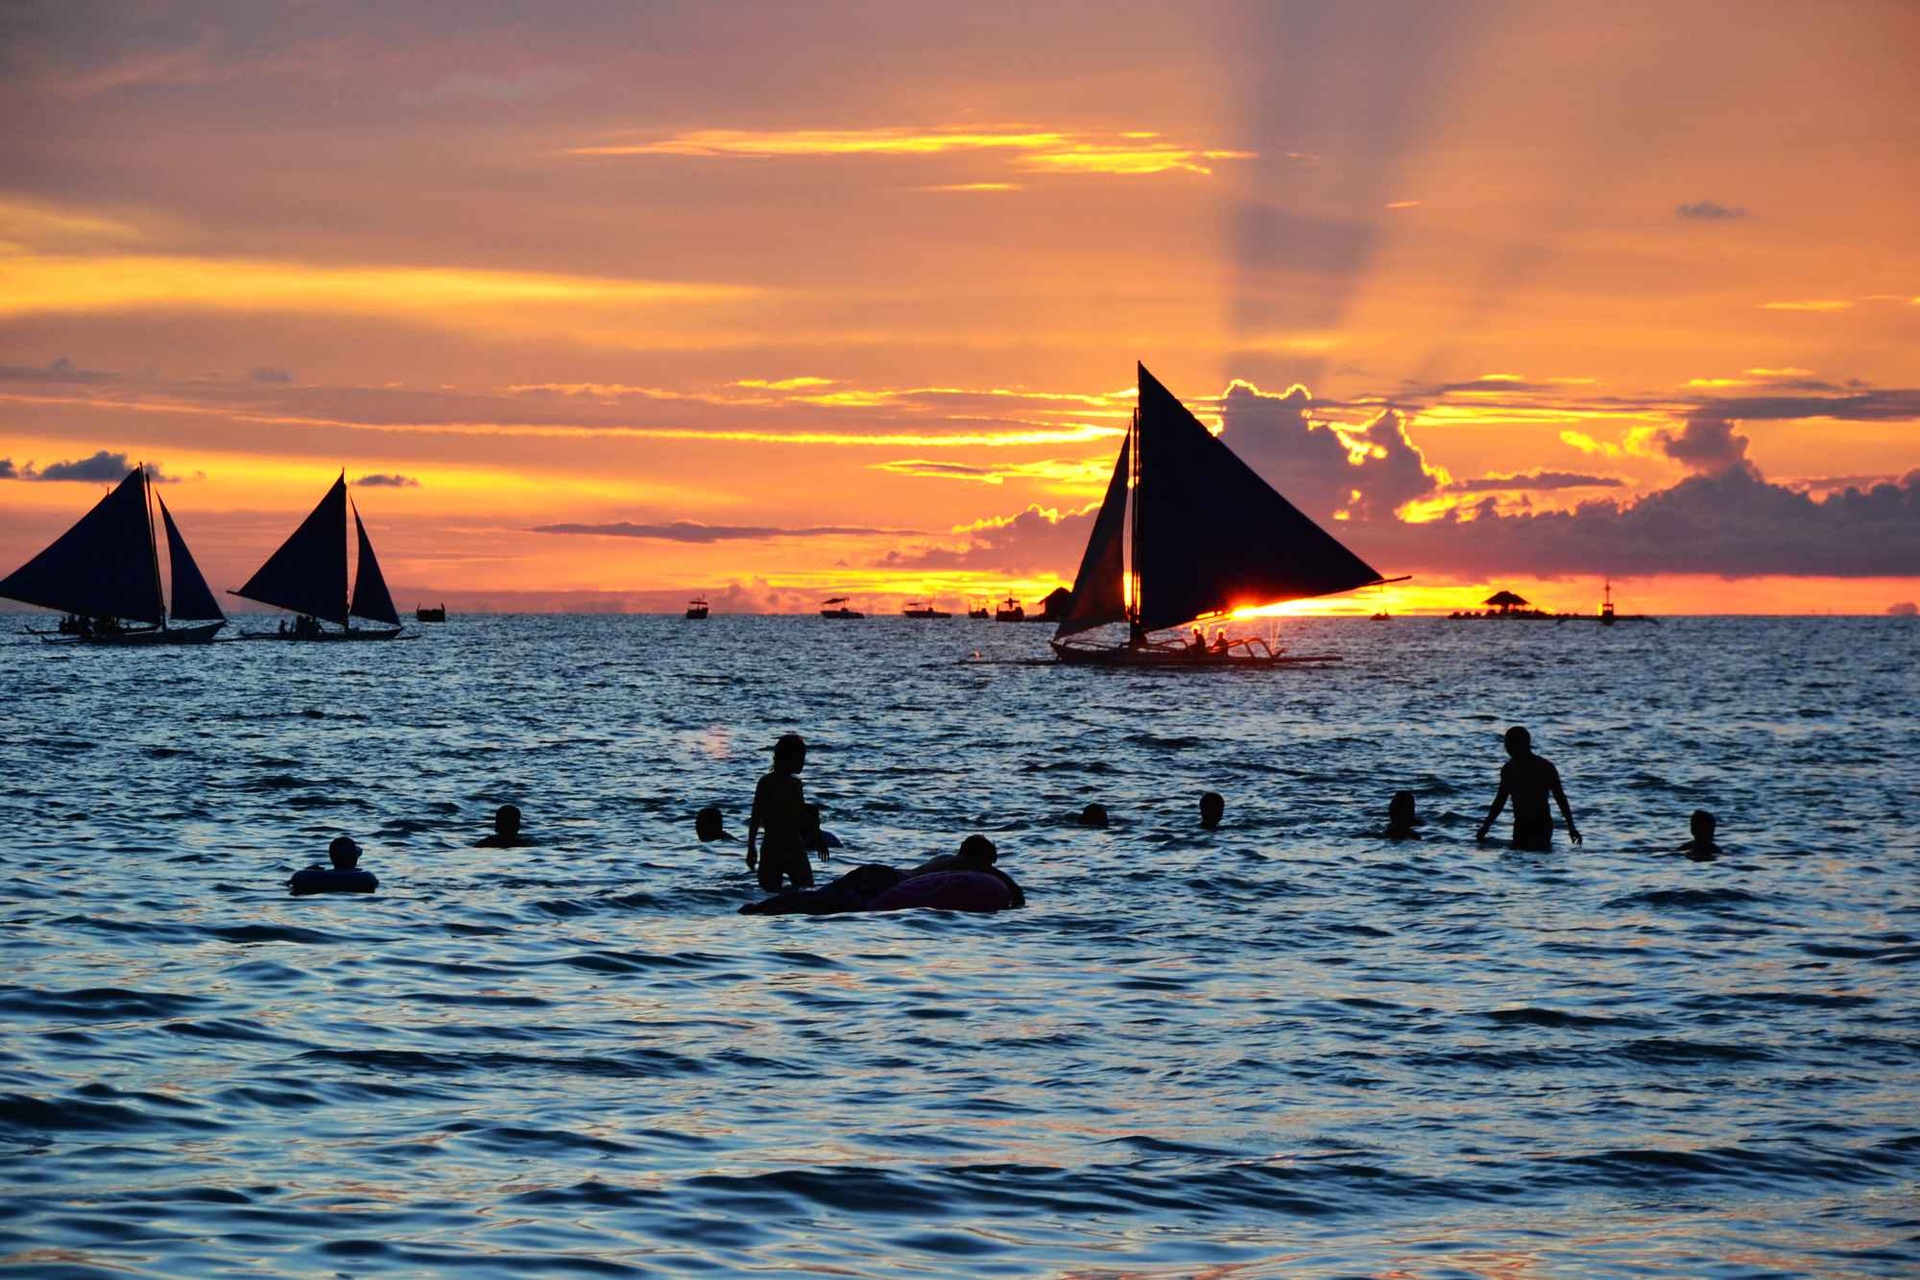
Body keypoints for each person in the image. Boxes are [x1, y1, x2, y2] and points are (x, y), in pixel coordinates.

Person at [1476, 726, 1581, 851]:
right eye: (1506, 744)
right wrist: (1486, 826)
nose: (1507, 748)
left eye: (1510, 744)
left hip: (1541, 825)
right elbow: (1500, 800)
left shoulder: (1544, 767)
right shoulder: (1509, 769)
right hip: (1520, 825)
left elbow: (1560, 798)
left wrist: (1571, 827)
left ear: (1524, 744)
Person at [748, 733, 823, 891]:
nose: (803, 762)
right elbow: (756, 816)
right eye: (801, 757)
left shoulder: (792, 784)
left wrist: (818, 837)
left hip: (780, 847)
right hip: (784, 848)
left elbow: (801, 817)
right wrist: (751, 847)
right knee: (805, 893)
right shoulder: (768, 783)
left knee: (774, 896)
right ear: (789, 757)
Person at [289, 835, 379, 896]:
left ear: (331, 857)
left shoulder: (309, 876)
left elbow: (291, 886)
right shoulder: (366, 877)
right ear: (356, 857)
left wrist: (308, 871)